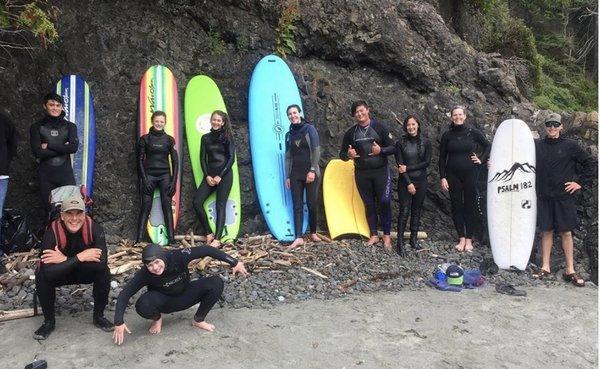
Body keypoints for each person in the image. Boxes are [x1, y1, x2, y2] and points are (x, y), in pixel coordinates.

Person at [112, 243, 249, 345]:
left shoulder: (177, 256)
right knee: (143, 304)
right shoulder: (144, 274)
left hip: (186, 294)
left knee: (216, 282)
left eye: (157, 262)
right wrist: (118, 322)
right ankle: (157, 318)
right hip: (164, 302)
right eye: (150, 265)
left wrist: (234, 262)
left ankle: (199, 320)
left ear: (163, 257)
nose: (155, 268)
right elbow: (125, 294)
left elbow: (207, 249)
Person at [33, 194, 113, 340]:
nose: (74, 219)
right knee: (41, 275)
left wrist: (64, 260)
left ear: (85, 214)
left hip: (81, 272)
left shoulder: (95, 229)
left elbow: (101, 264)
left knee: (104, 273)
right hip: (60, 274)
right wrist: (80, 257)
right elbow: (49, 272)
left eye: (79, 213)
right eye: (69, 213)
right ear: (62, 215)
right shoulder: (51, 233)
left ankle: (99, 316)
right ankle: (49, 322)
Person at [535, 113, 595, 286]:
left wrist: (579, 183)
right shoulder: (537, 145)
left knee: (566, 232)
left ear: (561, 127)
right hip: (544, 195)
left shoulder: (570, 145)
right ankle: (545, 267)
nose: (552, 127)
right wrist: (493, 163)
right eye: (549, 125)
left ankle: (570, 269)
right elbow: (517, 156)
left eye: (555, 124)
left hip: (564, 197)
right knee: (546, 230)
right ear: (545, 127)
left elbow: (591, 163)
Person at [339, 101, 395, 250]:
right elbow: (342, 154)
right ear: (353, 115)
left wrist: (381, 151)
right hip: (362, 173)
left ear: (367, 110)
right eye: (356, 112)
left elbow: (393, 147)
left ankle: (387, 236)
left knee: (384, 201)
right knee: (369, 204)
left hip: (381, 171)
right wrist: (348, 155)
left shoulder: (380, 127)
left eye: (362, 110)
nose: (360, 114)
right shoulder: (350, 133)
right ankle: (374, 235)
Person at [439, 106, 490, 252]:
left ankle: (469, 239)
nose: (457, 117)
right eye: (455, 115)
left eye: (460, 114)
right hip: (452, 175)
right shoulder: (447, 135)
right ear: (451, 117)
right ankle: (461, 237)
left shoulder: (472, 132)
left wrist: (481, 159)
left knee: (470, 205)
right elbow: (442, 158)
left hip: (471, 173)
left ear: (465, 116)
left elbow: (488, 145)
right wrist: (443, 177)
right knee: (456, 205)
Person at [29, 93, 78, 214]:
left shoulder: (70, 126)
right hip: (46, 176)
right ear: (45, 106)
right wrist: (62, 147)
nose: (55, 108)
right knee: (50, 212)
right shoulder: (36, 127)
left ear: (62, 107)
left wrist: (48, 145)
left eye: (58, 105)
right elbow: (38, 153)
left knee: (70, 211)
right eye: (51, 105)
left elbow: (73, 148)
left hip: (65, 175)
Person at [192, 110, 235, 248]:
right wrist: (207, 176)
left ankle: (217, 238)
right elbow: (202, 159)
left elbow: (231, 158)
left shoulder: (228, 137)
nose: (216, 122)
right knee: (197, 202)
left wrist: (220, 176)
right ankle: (208, 233)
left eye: (218, 120)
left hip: (225, 175)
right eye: (214, 119)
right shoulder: (205, 138)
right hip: (210, 175)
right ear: (211, 120)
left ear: (223, 123)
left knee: (220, 205)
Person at [136, 111, 178, 244]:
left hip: (165, 175)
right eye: (157, 121)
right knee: (145, 205)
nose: (159, 123)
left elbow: (175, 162)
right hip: (149, 175)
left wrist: (173, 181)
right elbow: (140, 161)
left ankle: (171, 239)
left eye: (162, 121)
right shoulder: (145, 139)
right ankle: (139, 239)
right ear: (152, 121)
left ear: (165, 123)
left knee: (166, 205)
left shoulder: (169, 140)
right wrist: (144, 179)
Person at [284, 104, 321, 249]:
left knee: (311, 203)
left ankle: (313, 232)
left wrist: (312, 170)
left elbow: (316, 150)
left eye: (294, 112)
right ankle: (298, 237)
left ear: (299, 113)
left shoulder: (309, 129)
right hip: (295, 174)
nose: (292, 115)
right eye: (289, 114)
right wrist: (287, 176)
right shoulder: (289, 134)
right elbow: (288, 157)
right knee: (297, 204)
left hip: (310, 172)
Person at [394, 115, 431, 256]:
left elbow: (426, 162)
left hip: (421, 181)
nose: (411, 127)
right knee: (404, 211)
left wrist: (408, 168)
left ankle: (413, 239)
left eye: (413, 124)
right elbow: (399, 165)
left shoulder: (426, 142)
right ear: (405, 127)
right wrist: (409, 182)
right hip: (405, 182)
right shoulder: (400, 143)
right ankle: (400, 243)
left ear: (418, 125)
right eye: (408, 125)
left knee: (417, 210)